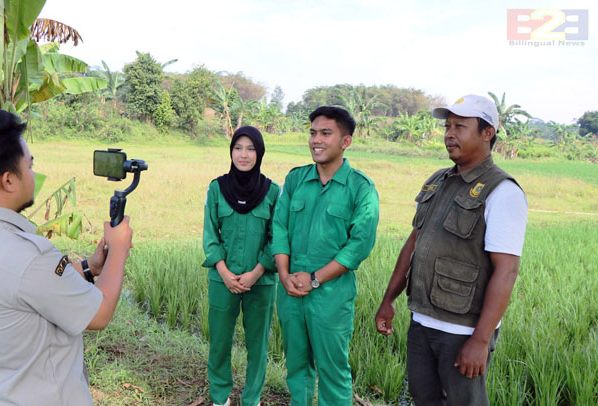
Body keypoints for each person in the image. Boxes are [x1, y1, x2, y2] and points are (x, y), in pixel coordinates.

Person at [0, 110, 133, 406]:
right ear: (9, 180)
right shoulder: (28, 256)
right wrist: (119, 249)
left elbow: (22, 289)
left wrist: (91, 267)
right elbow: (99, 314)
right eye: (30, 165)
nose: (33, 175)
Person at [375, 94, 528, 406]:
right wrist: (388, 299)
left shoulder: (502, 191)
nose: (449, 134)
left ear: (487, 133)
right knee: (424, 400)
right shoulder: (438, 181)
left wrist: (481, 340)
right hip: (422, 321)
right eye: (447, 126)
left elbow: (507, 270)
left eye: (460, 126)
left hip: (462, 331)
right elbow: (413, 244)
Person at [271, 106, 379, 405]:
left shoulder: (360, 188)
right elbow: (279, 228)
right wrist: (284, 275)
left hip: (330, 294)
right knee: (296, 366)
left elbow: (359, 246)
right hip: (291, 288)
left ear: (346, 141)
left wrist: (315, 279)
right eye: (313, 133)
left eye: (326, 133)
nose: (316, 140)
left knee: (332, 370)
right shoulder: (295, 180)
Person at [202, 126, 280, 406]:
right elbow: (210, 236)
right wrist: (224, 272)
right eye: (238, 148)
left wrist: (256, 272)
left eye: (250, 149)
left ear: (259, 153)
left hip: (260, 283)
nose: (243, 155)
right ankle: (220, 398)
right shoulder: (217, 188)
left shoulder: (272, 191)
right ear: (231, 151)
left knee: (257, 346)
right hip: (222, 280)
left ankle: (252, 400)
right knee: (220, 343)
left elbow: (277, 238)